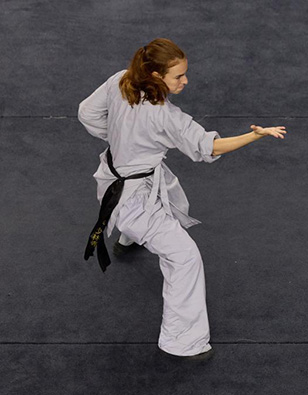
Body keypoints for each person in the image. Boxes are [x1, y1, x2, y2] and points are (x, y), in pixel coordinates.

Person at [78, 38, 287, 361]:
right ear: (156, 75)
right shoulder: (165, 116)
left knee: (156, 209)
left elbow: (87, 113)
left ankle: (127, 239)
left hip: (110, 182)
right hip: (133, 201)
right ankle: (181, 341)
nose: (185, 81)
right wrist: (254, 135)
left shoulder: (121, 80)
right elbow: (209, 147)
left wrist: (122, 137)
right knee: (185, 257)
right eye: (178, 76)